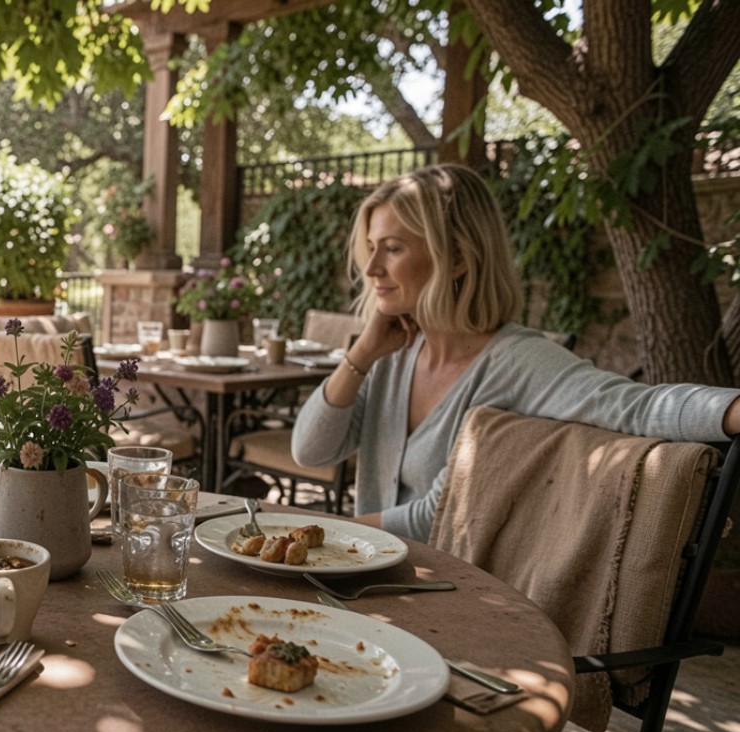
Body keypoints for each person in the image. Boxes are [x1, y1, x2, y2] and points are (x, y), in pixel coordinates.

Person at [291, 163, 740, 542]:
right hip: (368, 581)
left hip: (444, 600)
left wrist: (328, 533)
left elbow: (632, 406)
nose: (371, 270)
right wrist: (363, 353)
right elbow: (310, 451)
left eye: (392, 248)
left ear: (458, 258)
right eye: (371, 249)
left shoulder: (516, 362)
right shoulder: (393, 354)